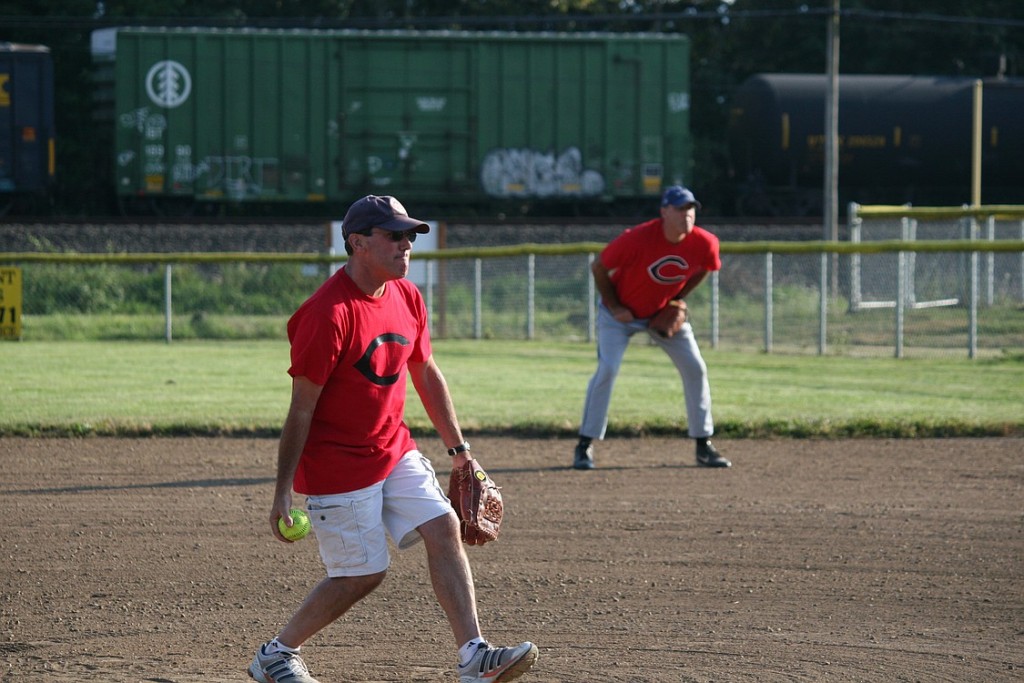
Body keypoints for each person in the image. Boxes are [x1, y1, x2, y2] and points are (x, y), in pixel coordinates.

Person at [248, 195, 538, 683]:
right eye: (394, 235)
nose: (406, 245)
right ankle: (276, 654)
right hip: (338, 463)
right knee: (362, 574)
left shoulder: (406, 296)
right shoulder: (327, 313)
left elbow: (425, 372)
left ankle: (474, 656)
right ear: (358, 243)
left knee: (443, 526)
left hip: (392, 447)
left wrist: (461, 453)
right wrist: (282, 490)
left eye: (410, 235)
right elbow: (301, 408)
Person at [572, 185, 731, 470]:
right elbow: (598, 267)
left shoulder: (705, 243)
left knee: (696, 368)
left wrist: (678, 299)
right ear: (664, 212)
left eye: (690, 208)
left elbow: (706, 268)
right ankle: (584, 445)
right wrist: (616, 306)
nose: (687, 215)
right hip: (617, 315)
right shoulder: (637, 239)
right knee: (607, 368)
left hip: (661, 311)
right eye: (680, 208)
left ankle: (703, 444)